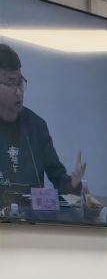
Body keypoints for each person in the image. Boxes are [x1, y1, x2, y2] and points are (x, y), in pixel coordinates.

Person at [0, 42, 85, 197]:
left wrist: (73, 184)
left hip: (32, 212)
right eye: (11, 83)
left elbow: (59, 178)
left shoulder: (36, 126)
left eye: (20, 83)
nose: (19, 92)